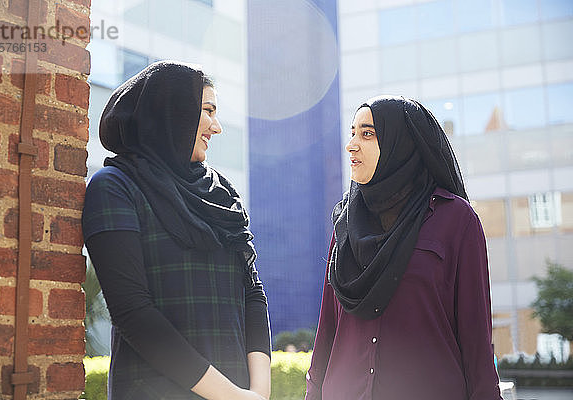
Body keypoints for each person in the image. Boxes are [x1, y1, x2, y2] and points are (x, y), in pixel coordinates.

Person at [82, 61, 271, 400]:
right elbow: (132, 312)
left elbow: (253, 294)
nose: (217, 127)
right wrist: (232, 396)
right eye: (208, 111)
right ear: (172, 112)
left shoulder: (221, 194)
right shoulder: (114, 187)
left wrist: (258, 392)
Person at [305, 95, 502, 400]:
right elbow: (327, 327)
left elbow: (476, 337)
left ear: (401, 143)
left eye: (367, 133)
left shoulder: (455, 220)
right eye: (352, 133)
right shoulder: (345, 221)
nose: (352, 145)